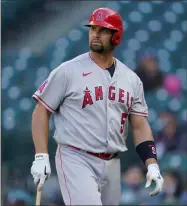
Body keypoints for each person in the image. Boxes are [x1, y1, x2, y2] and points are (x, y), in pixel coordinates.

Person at [30, 8, 164, 205]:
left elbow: (139, 124)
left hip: (112, 162)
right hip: (76, 157)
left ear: (116, 36)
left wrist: (151, 164)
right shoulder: (68, 71)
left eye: (103, 30)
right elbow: (41, 111)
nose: (95, 34)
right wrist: (41, 155)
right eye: (93, 29)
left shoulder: (131, 79)